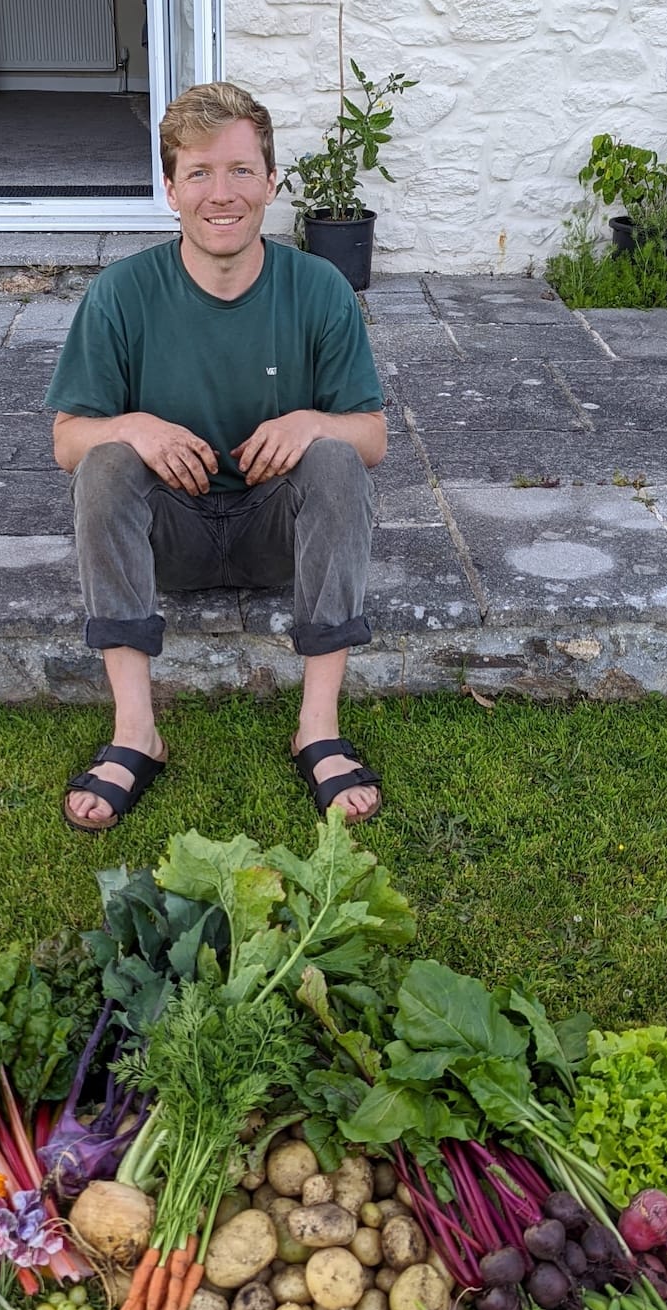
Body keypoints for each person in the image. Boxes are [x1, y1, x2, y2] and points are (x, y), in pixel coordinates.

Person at [46, 81, 387, 833]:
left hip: (277, 537)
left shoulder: (319, 289)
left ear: (270, 182)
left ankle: (318, 726)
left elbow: (372, 436)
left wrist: (309, 422)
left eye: (239, 170)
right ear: (171, 190)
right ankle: (136, 729)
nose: (220, 193)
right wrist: (132, 425)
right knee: (104, 459)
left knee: (334, 456)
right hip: (170, 539)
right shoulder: (122, 295)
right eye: (198, 173)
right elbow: (68, 441)